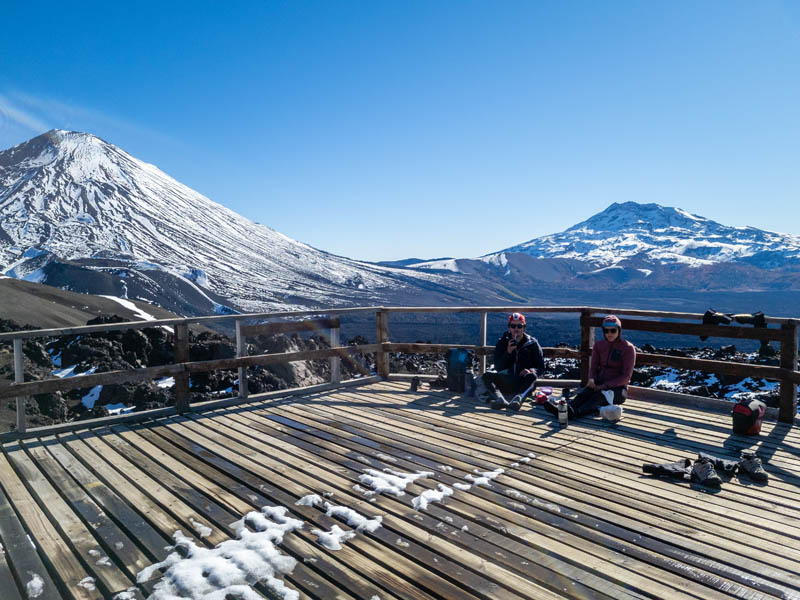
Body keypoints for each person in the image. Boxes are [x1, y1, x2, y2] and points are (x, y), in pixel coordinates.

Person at [546, 314, 635, 420]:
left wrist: (605, 386)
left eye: (613, 330)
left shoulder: (628, 348)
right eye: (606, 331)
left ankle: (574, 413)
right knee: (584, 394)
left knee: (598, 397)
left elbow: (626, 377)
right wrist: (592, 379)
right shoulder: (599, 346)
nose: (609, 334)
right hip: (599, 383)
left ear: (619, 330)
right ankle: (565, 409)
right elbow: (593, 367)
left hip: (618, 389)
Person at [479, 312, 545, 411]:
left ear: (524, 328)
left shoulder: (532, 343)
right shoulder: (502, 342)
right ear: (509, 327)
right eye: (513, 326)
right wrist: (508, 352)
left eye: (519, 326)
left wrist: (531, 370)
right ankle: (500, 399)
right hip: (505, 379)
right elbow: (498, 367)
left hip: (522, 381)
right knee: (486, 375)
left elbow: (541, 367)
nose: (516, 329)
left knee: (532, 377)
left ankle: (518, 399)